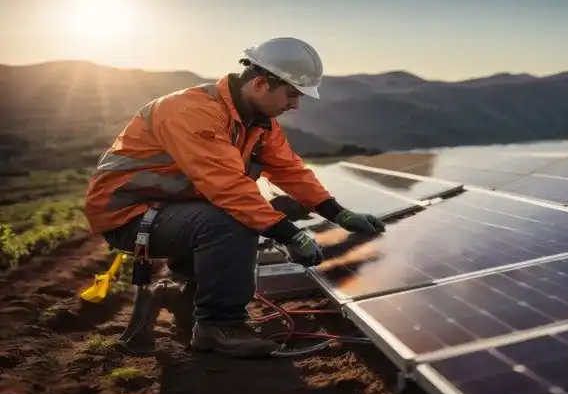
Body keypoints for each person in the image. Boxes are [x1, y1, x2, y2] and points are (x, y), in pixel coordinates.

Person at [83, 37, 386, 358]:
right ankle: (220, 327)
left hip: (173, 209)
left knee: (229, 216)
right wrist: (288, 233)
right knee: (233, 219)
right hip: (128, 214)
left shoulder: (258, 124)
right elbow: (227, 186)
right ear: (259, 84)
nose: (295, 105)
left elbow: (290, 170)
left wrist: (339, 214)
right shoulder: (191, 111)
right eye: (292, 94)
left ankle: (184, 299)